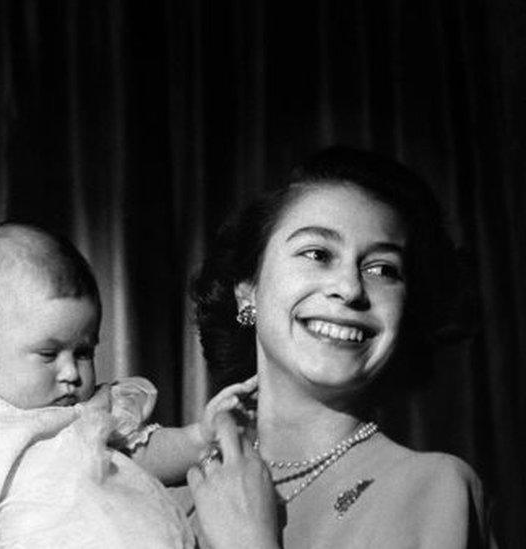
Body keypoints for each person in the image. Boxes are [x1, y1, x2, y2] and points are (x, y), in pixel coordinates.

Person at [0, 223, 257, 549]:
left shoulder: (93, 409)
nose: (71, 373)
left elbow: (146, 455)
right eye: (49, 355)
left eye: (83, 352)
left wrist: (200, 436)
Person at [187, 147, 496, 548]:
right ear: (248, 291)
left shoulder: (436, 490)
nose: (350, 289)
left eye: (383, 269)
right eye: (317, 254)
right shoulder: (180, 490)